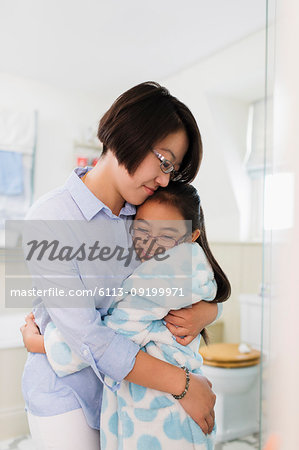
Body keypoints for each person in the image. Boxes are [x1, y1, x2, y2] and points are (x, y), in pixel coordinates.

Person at [20, 81, 223, 450]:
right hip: (70, 395)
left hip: (135, 396)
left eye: (171, 170)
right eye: (163, 162)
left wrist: (207, 311)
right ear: (127, 135)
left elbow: (191, 278)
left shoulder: (147, 215)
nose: (164, 179)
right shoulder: (51, 218)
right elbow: (91, 340)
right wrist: (184, 385)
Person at [24, 182, 231, 450]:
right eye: (142, 229)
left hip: (161, 409)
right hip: (163, 402)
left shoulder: (165, 272)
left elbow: (112, 335)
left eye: (166, 236)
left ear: (191, 237)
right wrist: (212, 310)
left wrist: (40, 344)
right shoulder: (185, 265)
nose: (149, 243)